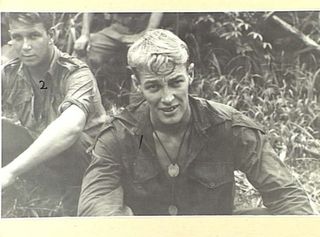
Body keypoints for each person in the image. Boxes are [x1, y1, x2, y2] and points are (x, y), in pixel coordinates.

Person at [77, 29, 314, 216]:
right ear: (136, 84)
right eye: (153, 86)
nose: (168, 98)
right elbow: (95, 206)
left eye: (176, 82)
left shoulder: (228, 126)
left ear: (190, 74)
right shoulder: (117, 135)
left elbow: (287, 196)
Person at [1, 13, 106, 215]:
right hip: (44, 155)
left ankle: (70, 196)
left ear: (52, 34)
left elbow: (71, 127)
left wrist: (10, 171)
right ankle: (43, 182)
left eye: (33, 36)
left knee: (71, 139)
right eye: (17, 37)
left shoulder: (76, 72)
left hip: (87, 163)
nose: (25, 46)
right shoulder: (10, 72)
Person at [73, 13, 163, 107]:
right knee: (83, 51)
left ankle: (137, 110)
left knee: (144, 61)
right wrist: (84, 35)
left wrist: (148, 33)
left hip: (141, 30)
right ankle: (78, 102)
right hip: (116, 29)